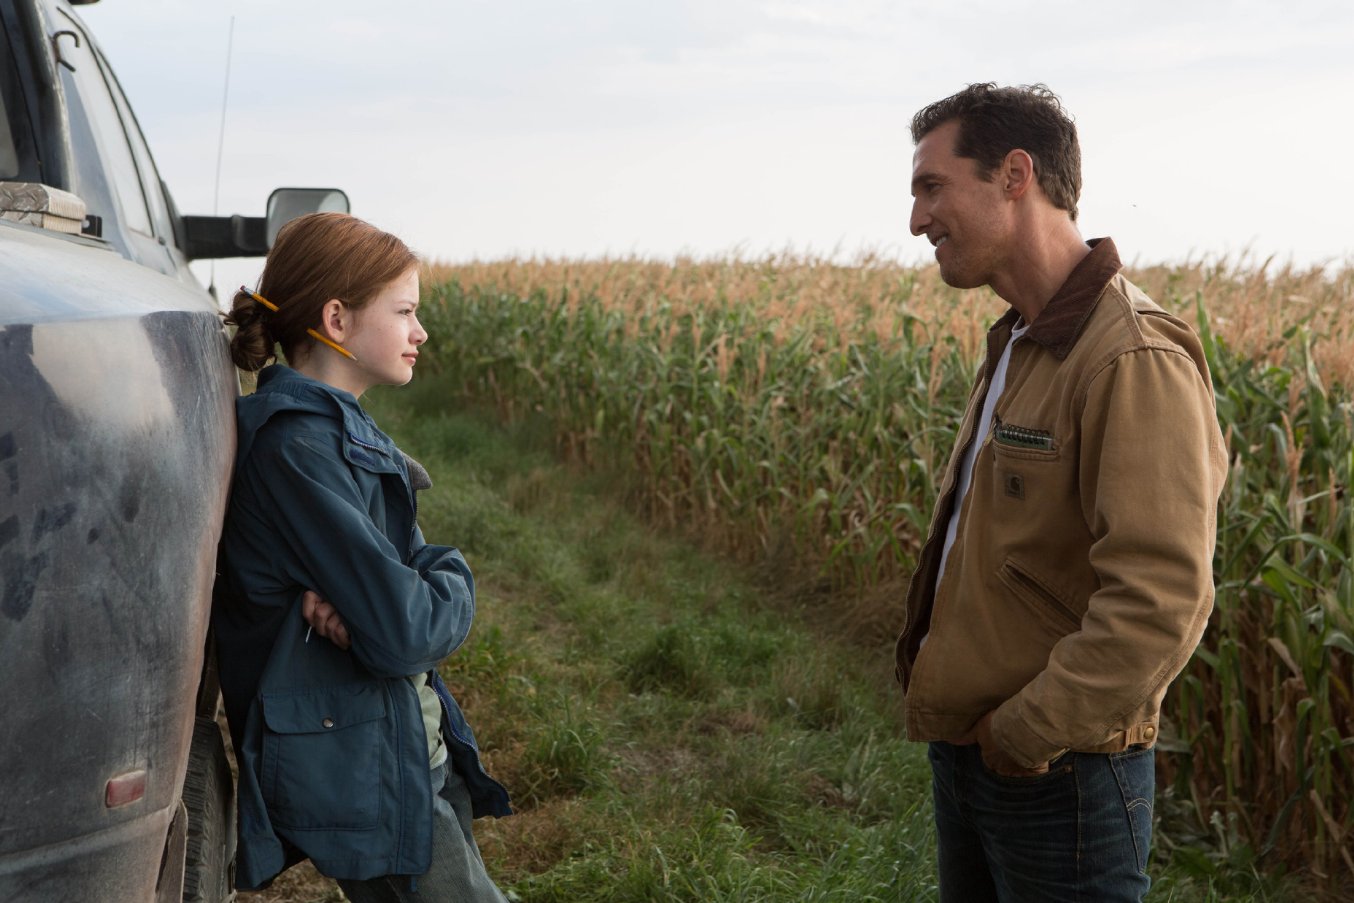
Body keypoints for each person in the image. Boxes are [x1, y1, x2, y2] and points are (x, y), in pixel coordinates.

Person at [894, 83, 1227, 902]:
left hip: (1062, 779)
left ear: (1015, 175)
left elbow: (1159, 600)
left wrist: (1022, 733)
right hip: (974, 762)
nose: (915, 220)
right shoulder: (1021, 340)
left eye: (932, 186)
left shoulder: (1130, 356)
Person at [213, 212, 512, 900]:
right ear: (337, 320)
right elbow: (406, 629)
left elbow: (398, 609)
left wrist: (410, 587)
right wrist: (449, 574)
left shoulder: (332, 432)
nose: (421, 332)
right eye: (405, 311)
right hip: (369, 768)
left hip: (402, 744)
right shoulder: (300, 452)